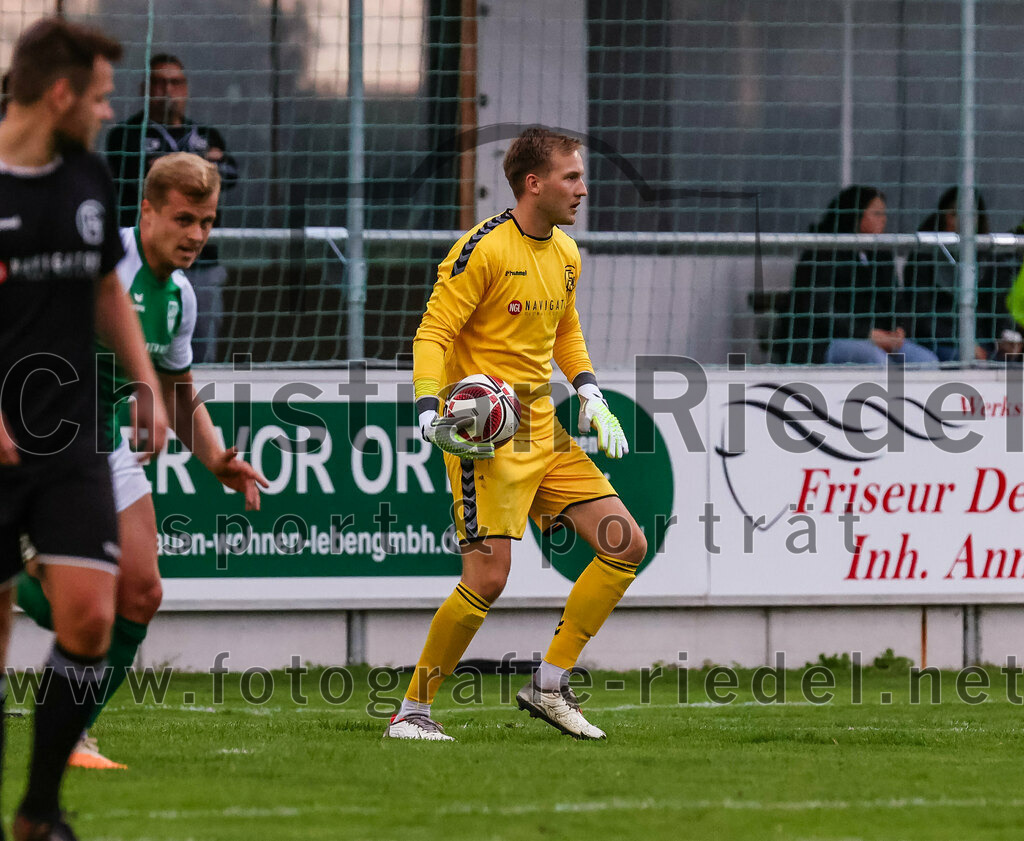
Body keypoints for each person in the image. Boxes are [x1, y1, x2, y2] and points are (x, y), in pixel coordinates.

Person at [386, 127, 647, 742]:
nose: (583, 188)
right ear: (535, 184)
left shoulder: (566, 254)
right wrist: (429, 408)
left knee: (625, 544)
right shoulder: (482, 249)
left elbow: (564, 331)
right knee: (488, 578)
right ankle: (412, 712)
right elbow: (433, 331)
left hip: (544, 432)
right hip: (487, 437)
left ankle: (549, 686)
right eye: (572, 177)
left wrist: (587, 389)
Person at [16, 152, 268, 772]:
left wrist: (215, 459)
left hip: (104, 442)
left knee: (141, 593)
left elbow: (177, 389)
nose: (196, 236)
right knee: (91, 603)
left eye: (208, 223)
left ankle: (76, 735)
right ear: (146, 210)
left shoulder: (180, 298)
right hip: (39, 427)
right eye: (184, 219)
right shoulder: (99, 263)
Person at [0, 18, 168, 840]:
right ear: (60, 93)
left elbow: (106, 291)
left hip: (70, 435)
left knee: (93, 619)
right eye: (99, 97)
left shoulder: (91, 176)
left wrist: (145, 383)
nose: (108, 112)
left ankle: (38, 811)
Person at [106, 53, 238, 363]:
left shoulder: (206, 133)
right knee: (138, 351)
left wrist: (166, 165)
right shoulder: (125, 135)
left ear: (186, 88)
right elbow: (135, 180)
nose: (168, 90)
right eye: (160, 83)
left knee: (201, 353)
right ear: (145, 89)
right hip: (144, 262)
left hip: (201, 264)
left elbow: (231, 174)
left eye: (176, 82)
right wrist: (205, 163)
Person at [779, 185, 938, 365]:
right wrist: (867, 334)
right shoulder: (824, 252)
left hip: (879, 337)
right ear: (855, 214)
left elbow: (896, 300)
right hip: (826, 341)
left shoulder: (881, 254)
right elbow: (820, 310)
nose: (884, 220)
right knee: (875, 359)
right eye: (876, 214)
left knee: (926, 361)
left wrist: (899, 330)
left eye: (884, 214)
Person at [904, 187, 1018, 362]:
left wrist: (1007, 337)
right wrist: (964, 342)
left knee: (1009, 359)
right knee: (970, 362)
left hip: (982, 342)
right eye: (955, 214)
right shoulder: (925, 257)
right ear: (943, 216)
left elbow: (997, 309)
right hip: (939, 341)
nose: (964, 222)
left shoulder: (988, 259)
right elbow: (922, 317)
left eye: (971, 215)